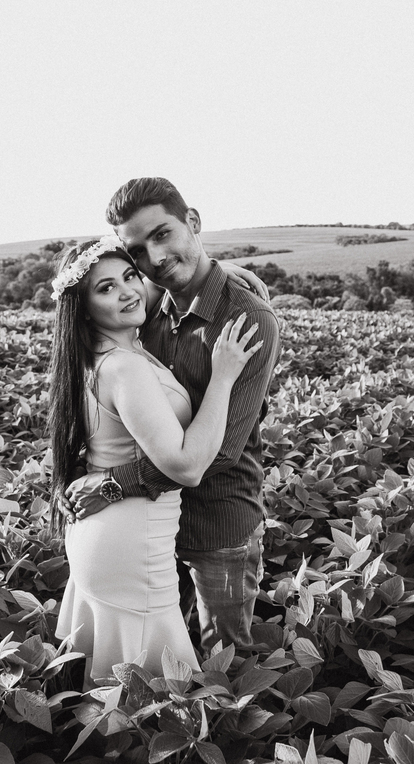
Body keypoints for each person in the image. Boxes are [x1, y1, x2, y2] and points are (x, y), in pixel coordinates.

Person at [64, 178, 281, 655]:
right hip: (150, 526)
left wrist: (113, 483)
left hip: (215, 522)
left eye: (163, 234)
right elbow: (86, 296)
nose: (156, 258)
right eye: (139, 251)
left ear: (193, 222)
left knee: (223, 656)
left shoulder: (247, 319)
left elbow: (220, 453)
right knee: (152, 651)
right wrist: (218, 268)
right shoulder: (146, 305)